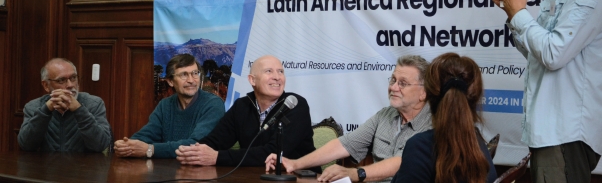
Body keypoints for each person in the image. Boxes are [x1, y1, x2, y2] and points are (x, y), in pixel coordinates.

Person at [492, 0, 602, 183]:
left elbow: (554, 53)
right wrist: (510, 14)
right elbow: (537, 53)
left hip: (566, 134)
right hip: (550, 133)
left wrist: (519, 13)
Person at [266, 55, 432, 182]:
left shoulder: (434, 123)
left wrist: (356, 173)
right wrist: (295, 164)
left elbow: (402, 162)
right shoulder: (385, 115)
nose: (393, 87)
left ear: (424, 92)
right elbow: (344, 144)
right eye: (393, 80)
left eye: (403, 83)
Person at [175, 55, 318, 170]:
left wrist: (217, 157)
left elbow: (273, 152)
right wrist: (193, 152)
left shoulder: (295, 105)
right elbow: (217, 140)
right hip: (253, 175)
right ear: (252, 80)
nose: (277, 77)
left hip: (297, 177)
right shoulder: (242, 105)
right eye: (269, 71)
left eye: (280, 71)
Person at [391, 53, 497, 183]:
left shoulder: (419, 146)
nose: (393, 87)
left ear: (428, 96)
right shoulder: (479, 147)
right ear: (475, 98)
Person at [114, 53, 225, 158]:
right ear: (170, 81)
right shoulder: (165, 105)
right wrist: (127, 145)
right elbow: (147, 134)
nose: (191, 80)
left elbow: (196, 145)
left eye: (195, 73)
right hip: (165, 172)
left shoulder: (213, 104)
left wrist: (150, 150)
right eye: (184, 75)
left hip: (201, 173)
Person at [18, 58, 112, 152]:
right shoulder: (33, 106)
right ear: (46, 85)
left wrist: (78, 109)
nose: (70, 85)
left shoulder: (94, 104)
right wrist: (46, 110)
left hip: (84, 166)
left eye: (73, 78)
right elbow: (26, 145)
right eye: (61, 80)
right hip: (46, 166)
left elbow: (101, 145)